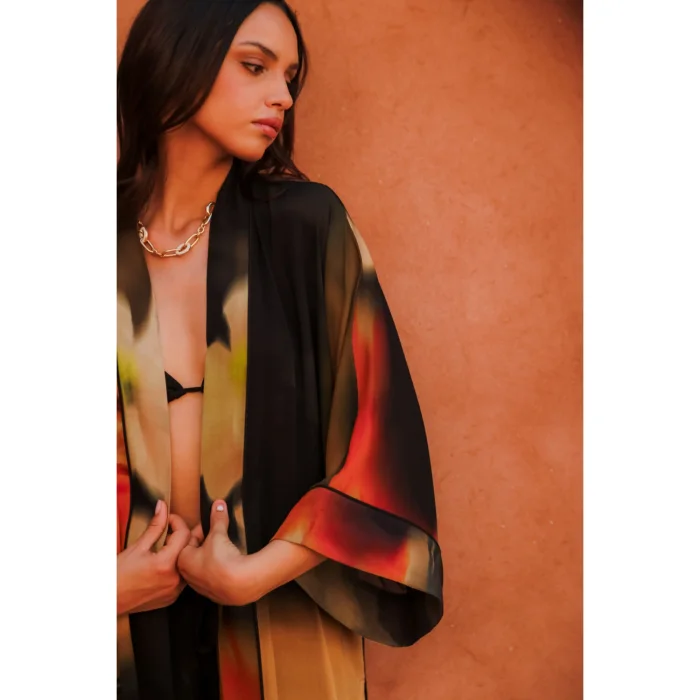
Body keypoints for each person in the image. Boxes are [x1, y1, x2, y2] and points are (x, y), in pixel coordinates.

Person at [116, 1, 444, 698]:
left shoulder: (307, 228)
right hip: (119, 644)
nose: (284, 98)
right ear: (174, 57)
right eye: (255, 66)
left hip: (277, 631)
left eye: (290, 77)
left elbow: (382, 446)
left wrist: (250, 576)